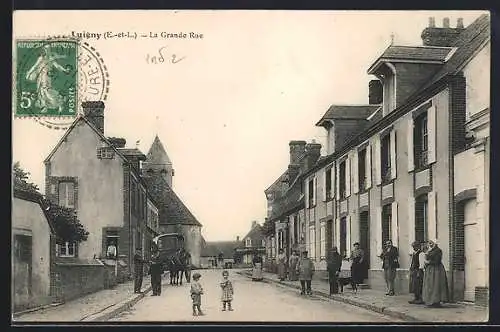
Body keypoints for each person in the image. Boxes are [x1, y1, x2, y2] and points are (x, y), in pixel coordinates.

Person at [422, 239, 449, 308]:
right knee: (430, 285)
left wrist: (429, 262)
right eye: (429, 243)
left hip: (436, 270)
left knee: (436, 285)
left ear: (435, 243)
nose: (430, 244)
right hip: (430, 270)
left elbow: (437, 261)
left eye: (432, 243)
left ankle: (436, 301)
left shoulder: (438, 250)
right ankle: (431, 301)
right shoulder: (430, 251)